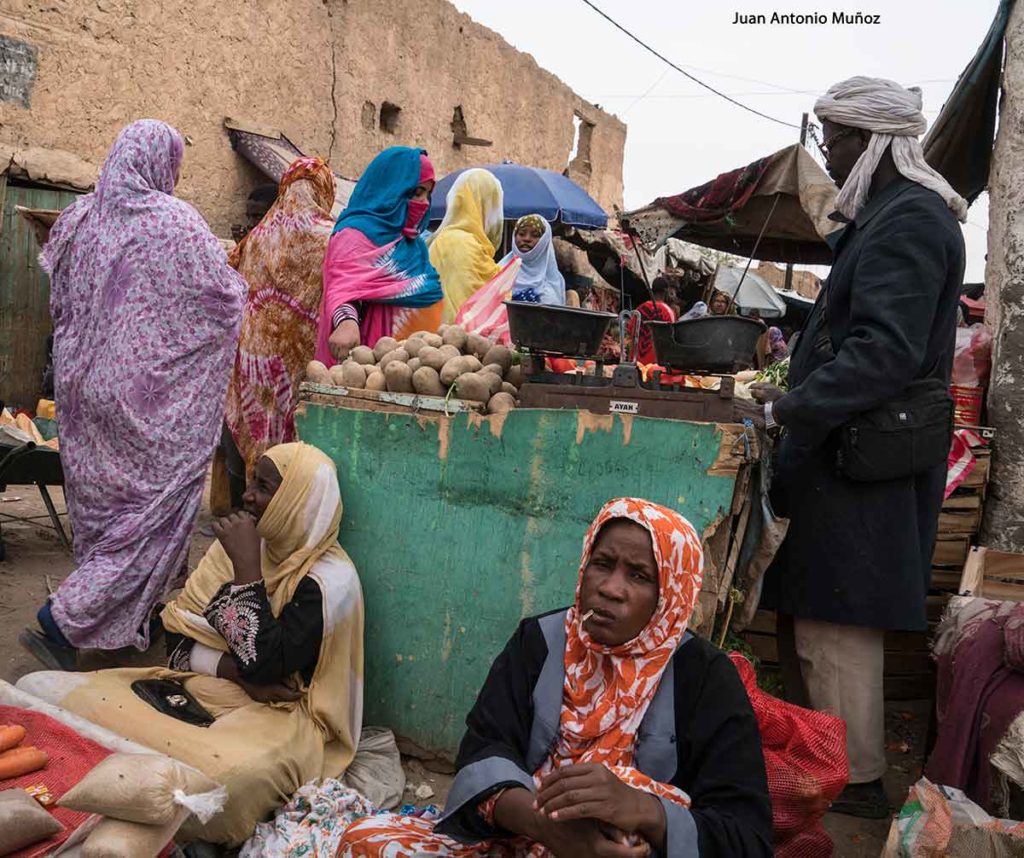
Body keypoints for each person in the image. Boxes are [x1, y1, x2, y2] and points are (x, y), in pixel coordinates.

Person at [741, 76, 967, 818]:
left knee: (837, 619)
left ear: (872, 140)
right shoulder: (892, 217)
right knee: (818, 616)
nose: (827, 155)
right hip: (850, 451)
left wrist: (798, 403)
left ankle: (858, 782)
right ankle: (826, 766)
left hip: (862, 458)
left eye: (832, 139)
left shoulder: (910, 221)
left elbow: (884, 352)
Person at [338, 497, 773, 857]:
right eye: (602, 564)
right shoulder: (542, 641)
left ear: (671, 596)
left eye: (639, 575)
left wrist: (642, 809)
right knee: (363, 842)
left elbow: (745, 834)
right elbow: (483, 750)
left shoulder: (705, 678)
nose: (610, 588)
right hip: (526, 833)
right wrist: (548, 828)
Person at [17, 442, 365, 844]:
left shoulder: (330, 582)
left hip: (282, 714)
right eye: (252, 481)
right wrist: (237, 673)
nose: (248, 495)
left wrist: (247, 571)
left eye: (265, 487)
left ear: (294, 501)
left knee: (221, 788)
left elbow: (270, 668)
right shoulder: (239, 546)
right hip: (209, 684)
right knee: (39, 690)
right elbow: (179, 643)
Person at [20, 120, 246, 669]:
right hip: (149, 405)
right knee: (151, 515)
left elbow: (65, 302)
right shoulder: (175, 222)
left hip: (84, 395)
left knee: (106, 517)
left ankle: (130, 621)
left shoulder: (77, 218)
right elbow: (222, 301)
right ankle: (64, 619)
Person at [223, 157, 337, 491]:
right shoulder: (331, 238)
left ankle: (253, 506)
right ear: (325, 190)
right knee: (293, 443)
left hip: (253, 360)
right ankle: (286, 517)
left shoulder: (256, 237)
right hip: (302, 359)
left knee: (258, 432)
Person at [316, 146, 443, 363]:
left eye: (428, 195)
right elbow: (342, 289)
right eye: (417, 193)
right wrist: (346, 322)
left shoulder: (413, 244)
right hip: (368, 361)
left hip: (418, 361)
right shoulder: (354, 235)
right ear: (392, 189)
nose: (424, 203)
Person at [428, 168, 505, 322]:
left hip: (427, 340)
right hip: (454, 341)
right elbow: (474, 311)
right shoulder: (466, 245)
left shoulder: (440, 239)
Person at [510, 214, 565, 305]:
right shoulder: (500, 271)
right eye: (522, 234)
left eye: (535, 235)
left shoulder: (554, 280)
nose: (527, 239)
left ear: (544, 241)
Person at [627, 277, 676, 366]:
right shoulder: (668, 312)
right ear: (666, 291)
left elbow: (630, 330)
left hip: (634, 364)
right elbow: (671, 339)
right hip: (654, 367)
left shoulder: (639, 309)